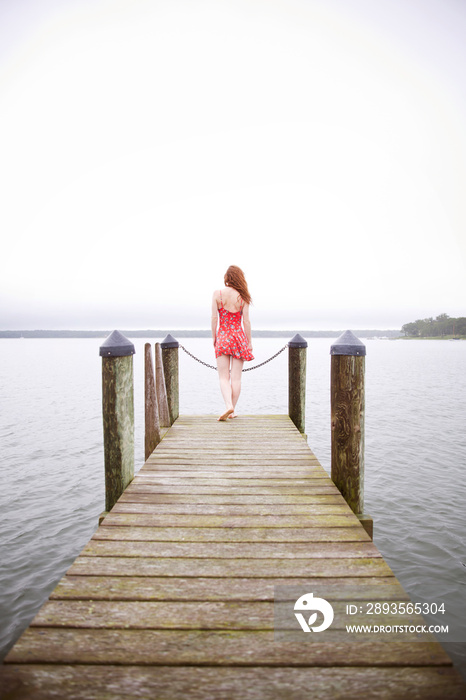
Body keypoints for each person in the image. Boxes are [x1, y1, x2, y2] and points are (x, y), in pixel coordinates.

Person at [212, 265, 254, 421]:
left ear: (227, 278)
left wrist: (214, 338)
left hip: (223, 336)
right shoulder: (243, 297)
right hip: (238, 338)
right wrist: (249, 342)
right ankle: (233, 409)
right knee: (236, 378)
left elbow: (214, 318)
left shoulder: (218, 294)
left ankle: (228, 405)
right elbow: (246, 321)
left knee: (224, 377)